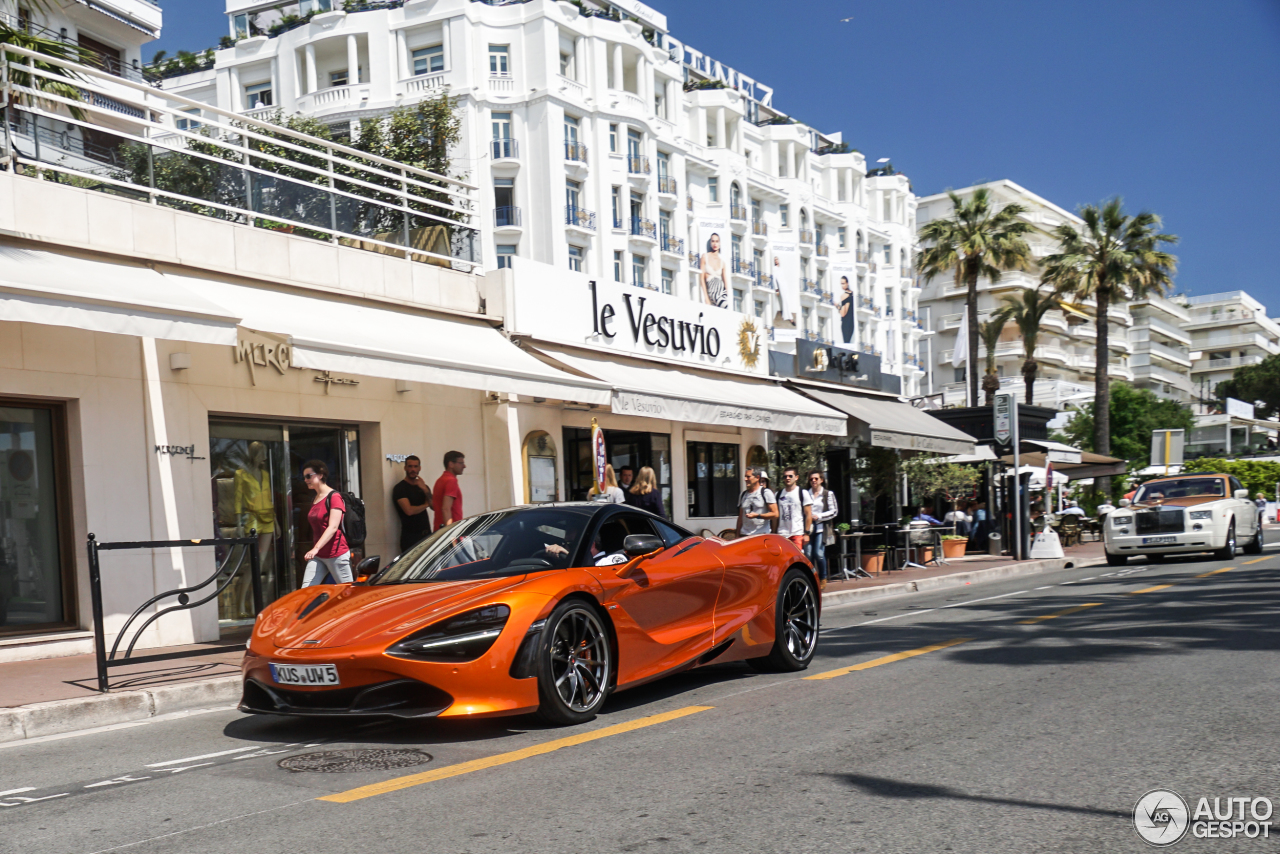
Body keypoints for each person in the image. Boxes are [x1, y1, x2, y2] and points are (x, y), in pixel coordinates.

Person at [301, 460, 352, 587]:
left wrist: (315, 548)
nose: (306, 480)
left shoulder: (334, 497)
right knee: (306, 591)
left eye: (309, 476)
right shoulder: (316, 498)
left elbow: (333, 527)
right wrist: (317, 550)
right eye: (304, 477)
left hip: (336, 554)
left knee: (348, 593)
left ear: (320, 475)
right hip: (319, 556)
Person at [392, 454, 432, 553]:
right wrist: (426, 505)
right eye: (410, 466)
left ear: (420, 468)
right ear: (405, 468)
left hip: (427, 535)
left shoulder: (424, 486)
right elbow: (409, 511)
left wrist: (425, 490)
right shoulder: (400, 488)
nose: (413, 469)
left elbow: (435, 506)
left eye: (415, 466)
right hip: (410, 537)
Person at [803, 470, 838, 584]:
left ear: (821, 480)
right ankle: (812, 578)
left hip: (821, 528)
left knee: (818, 553)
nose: (813, 481)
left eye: (816, 478)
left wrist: (819, 516)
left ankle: (823, 577)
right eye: (811, 479)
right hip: (808, 528)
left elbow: (834, 511)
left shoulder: (828, 494)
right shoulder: (805, 494)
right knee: (808, 554)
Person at [776, 467, 813, 552]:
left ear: (796, 477)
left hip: (797, 533)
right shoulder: (778, 494)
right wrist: (774, 531)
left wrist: (806, 533)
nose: (787, 478)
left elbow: (808, 514)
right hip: (782, 533)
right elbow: (776, 516)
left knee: (796, 558)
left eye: (790, 476)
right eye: (785, 476)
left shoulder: (802, 493)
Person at [737, 468, 778, 537]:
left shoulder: (766, 492)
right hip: (744, 535)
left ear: (757, 477)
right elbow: (741, 517)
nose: (745, 479)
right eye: (745, 477)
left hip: (761, 535)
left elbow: (775, 514)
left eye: (748, 477)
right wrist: (737, 535)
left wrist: (758, 516)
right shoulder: (743, 494)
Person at [432, 451, 466, 530]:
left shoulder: (440, 480)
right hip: (450, 531)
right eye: (461, 463)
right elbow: (446, 509)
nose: (464, 466)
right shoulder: (451, 481)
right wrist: (450, 534)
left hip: (439, 530)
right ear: (451, 464)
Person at [699, 233, 728, 308]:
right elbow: (702, 278)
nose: (715, 243)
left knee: (726, 307)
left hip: (721, 291)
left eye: (717, 241)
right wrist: (706, 298)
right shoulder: (705, 256)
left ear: (720, 243)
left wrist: (728, 296)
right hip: (712, 290)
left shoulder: (722, 262)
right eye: (713, 241)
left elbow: (725, 283)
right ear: (710, 243)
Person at [837, 275, 854, 345]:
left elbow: (843, 313)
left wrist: (837, 306)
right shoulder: (852, 294)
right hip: (852, 322)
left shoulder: (844, 296)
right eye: (841, 284)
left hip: (846, 323)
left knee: (846, 342)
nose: (842, 286)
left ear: (847, 283)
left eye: (843, 283)